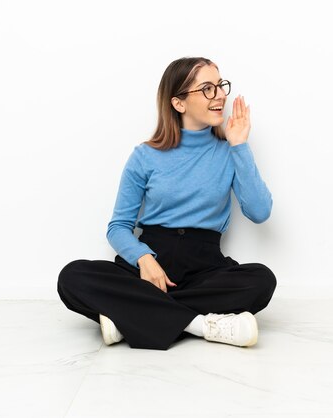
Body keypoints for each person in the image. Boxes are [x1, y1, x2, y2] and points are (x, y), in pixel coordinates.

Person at [57, 57, 276, 350]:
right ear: (179, 103)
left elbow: (260, 212)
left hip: (205, 266)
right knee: (72, 277)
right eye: (207, 89)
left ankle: (128, 317)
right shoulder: (145, 156)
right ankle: (201, 325)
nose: (221, 95)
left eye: (220, 85)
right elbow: (118, 227)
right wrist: (144, 260)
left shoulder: (230, 152)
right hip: (150, 263)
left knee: (261, 280)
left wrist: (239, 145)